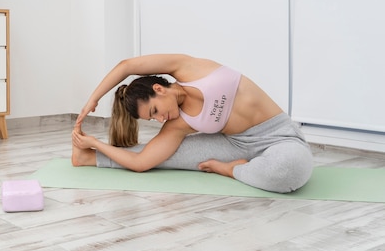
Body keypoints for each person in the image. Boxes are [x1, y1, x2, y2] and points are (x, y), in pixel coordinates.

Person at [72, 54, 313, 193]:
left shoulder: (189, 69)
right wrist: (95, 143)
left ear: (159, 89)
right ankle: (87, 158)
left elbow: (126, 66)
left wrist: (93, 99)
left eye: (155, 110)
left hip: (278, 136)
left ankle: (229, 169)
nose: (159, 119)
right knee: (161, 158)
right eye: (152, 119)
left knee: (289, 171)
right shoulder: (178, 124)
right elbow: (141, 163)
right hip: (234, 145)